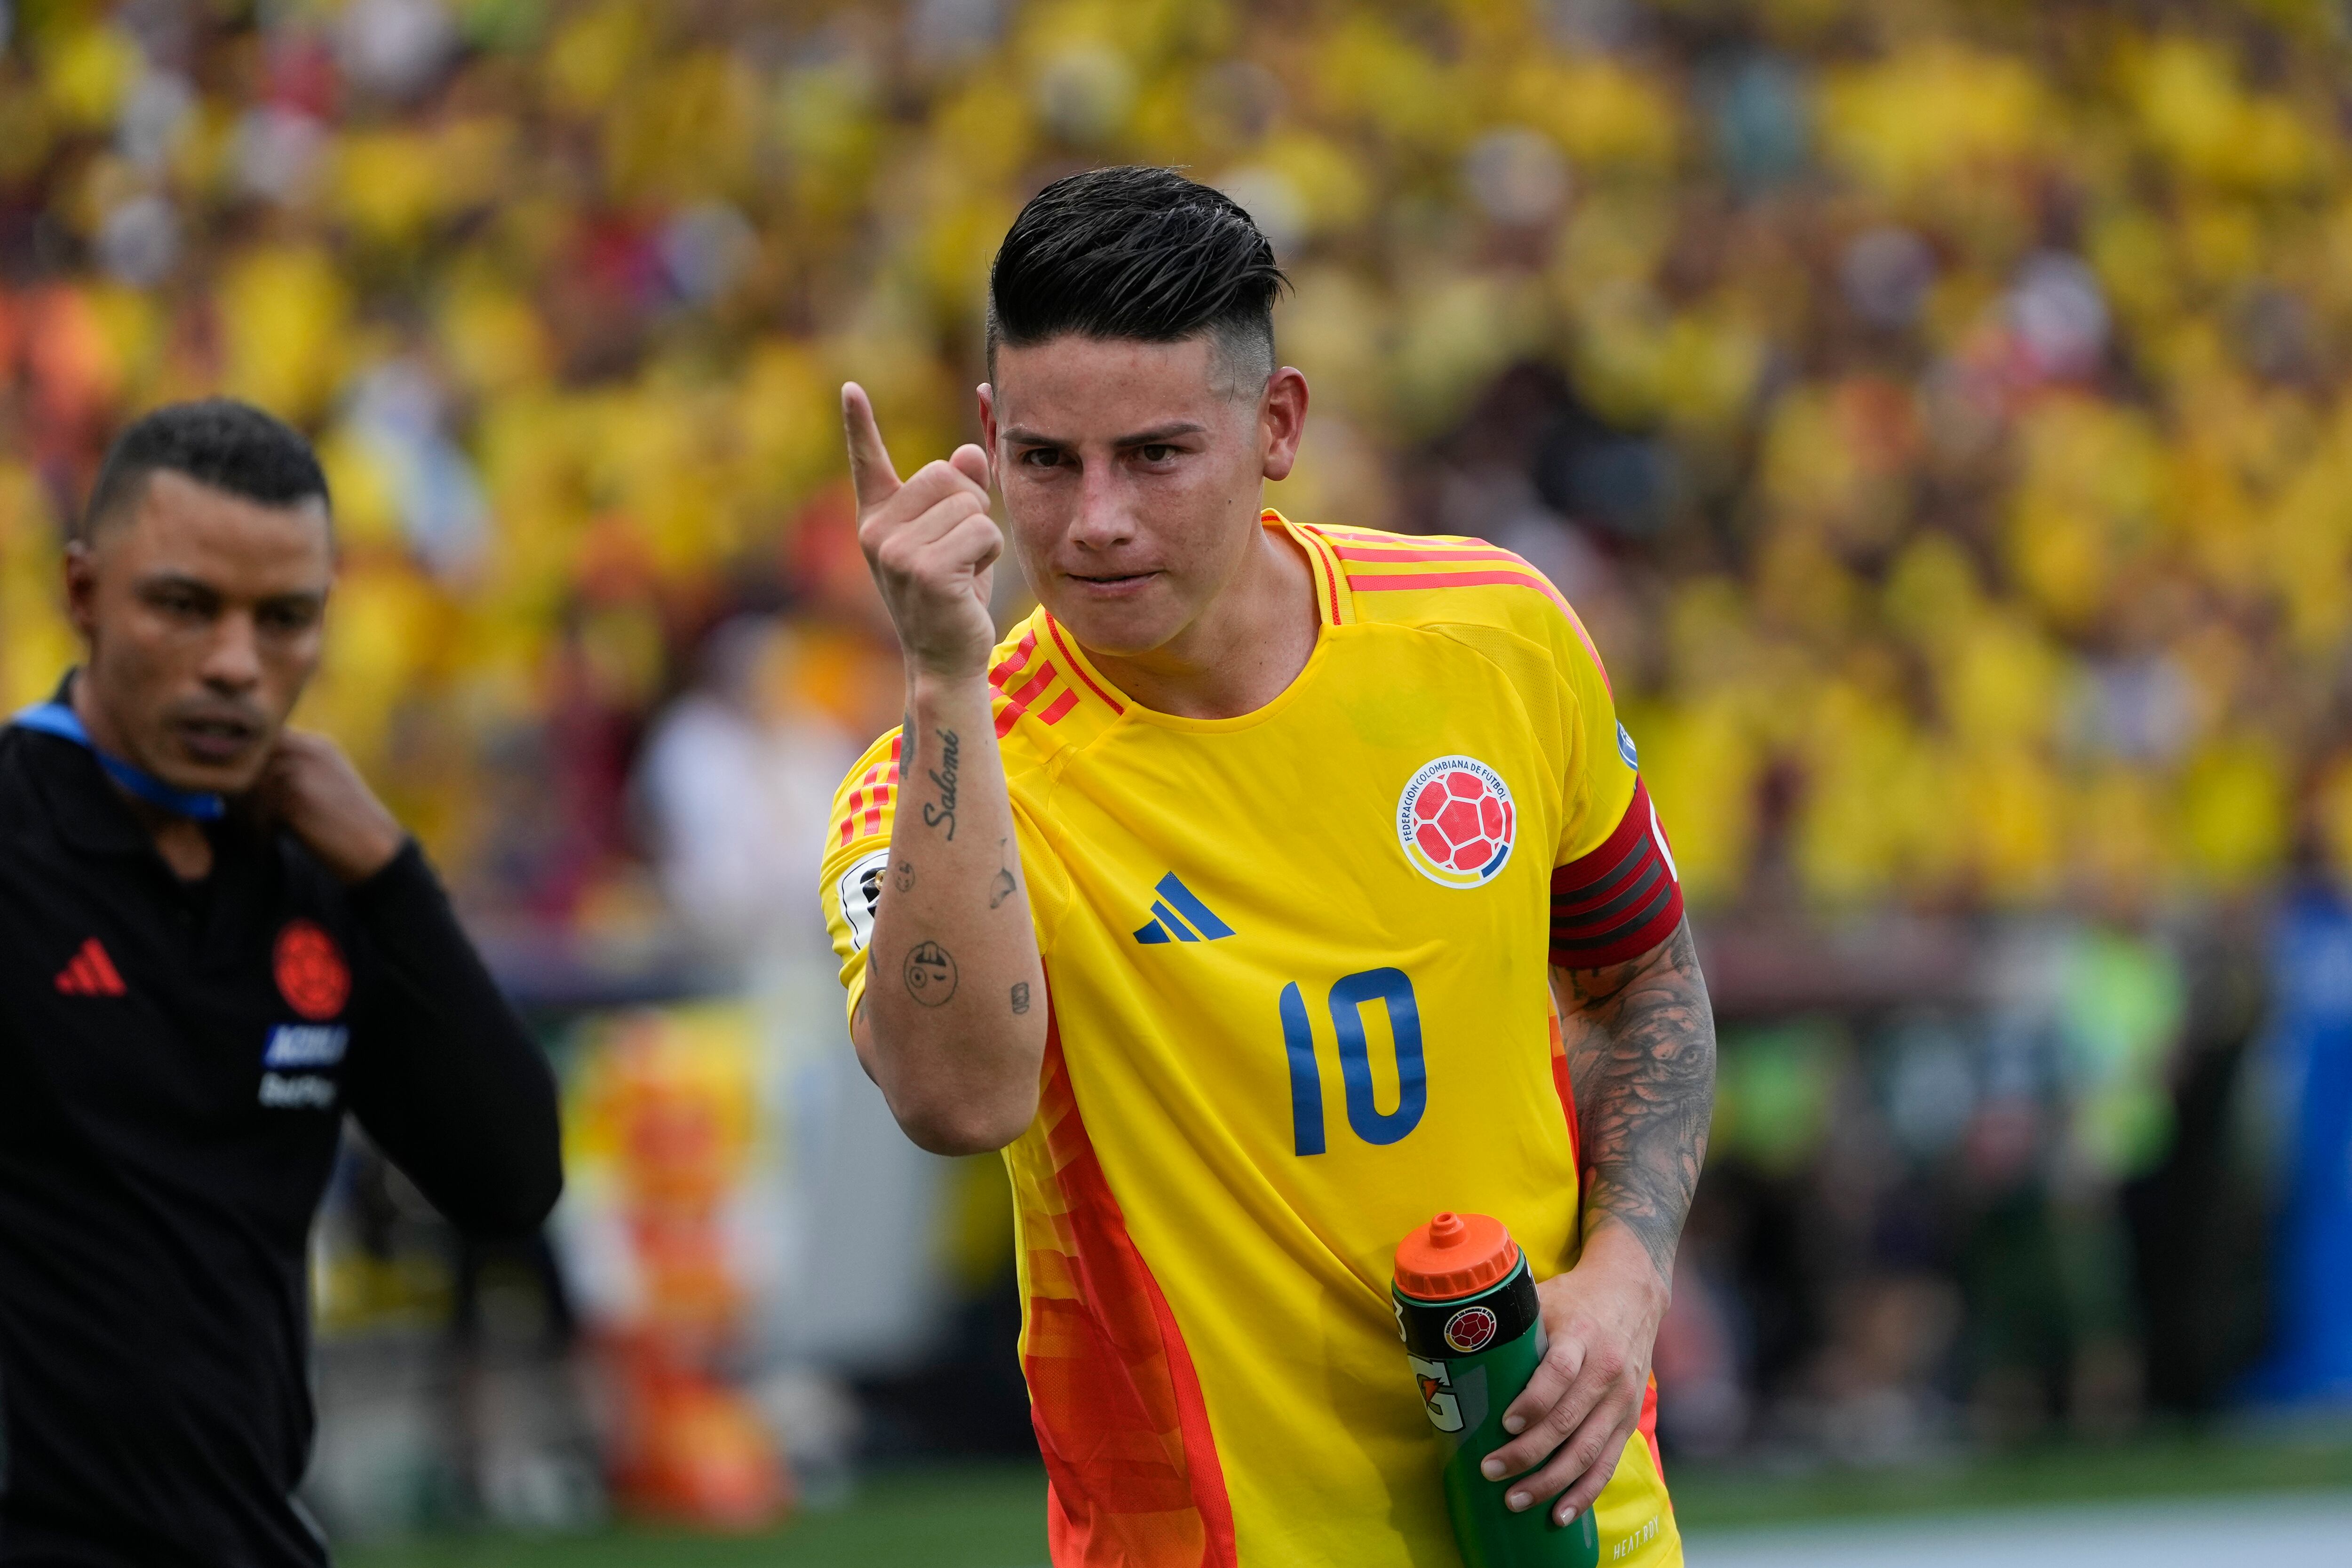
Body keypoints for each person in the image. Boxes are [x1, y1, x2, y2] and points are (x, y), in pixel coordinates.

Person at [818, 167, 1716, 1566]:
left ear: (1277, 424)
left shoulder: (1496, 635)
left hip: (1570, 1528)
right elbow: (957, 1100)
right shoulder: (933, 788)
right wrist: (942, 684)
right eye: (1048, 460)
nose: (1096, 518)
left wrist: (1626, 1275)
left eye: (1158, 455)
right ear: (988, 445)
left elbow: (1642, 975)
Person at [0, 399, 563, 1567]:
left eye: (284, 619)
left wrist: (392, 875)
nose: (234, 665)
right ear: (81, 590)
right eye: (185, 605)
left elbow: (509, 1178)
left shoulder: (315, 874)